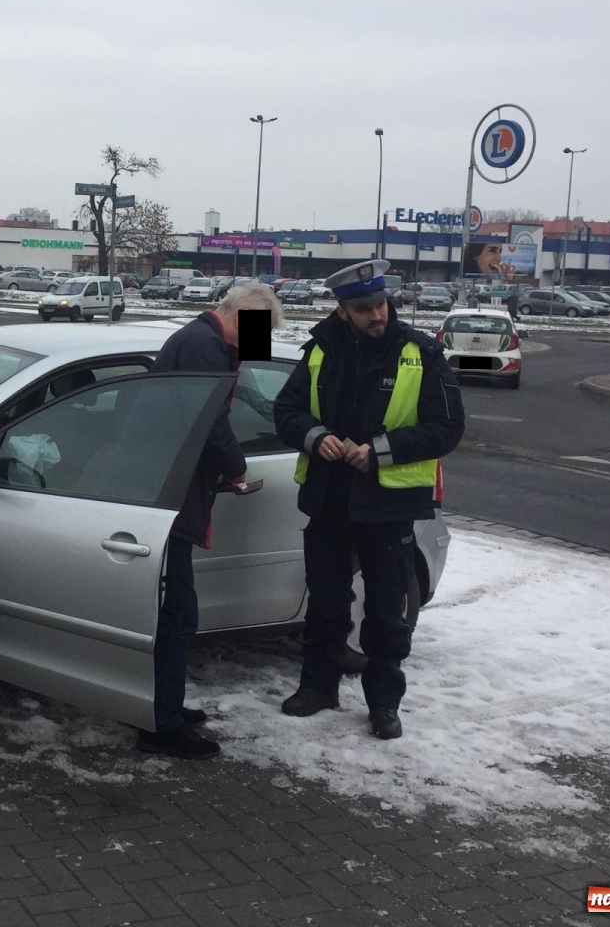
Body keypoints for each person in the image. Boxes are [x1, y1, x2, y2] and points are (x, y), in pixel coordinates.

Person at [273, 260, 464, 741]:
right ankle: (318, 687)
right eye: (363, 309)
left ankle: (384, 704)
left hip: (389, 507)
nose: (377, 315)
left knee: (384, 613)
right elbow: (287, 411)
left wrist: (381, 452)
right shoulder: (319, 351)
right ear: (342, 311)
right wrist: (316, 438)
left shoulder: (420, 354)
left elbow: (447, 427)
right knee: (326, 605)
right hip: (329, 499)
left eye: (380, 304)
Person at [139, 282, 283, 761]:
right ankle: (161, 725)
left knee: (173, 613)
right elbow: (210, 420)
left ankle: (164, 705)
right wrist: (236, 464)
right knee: (179, 614)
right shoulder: (205, 346)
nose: (259, 346)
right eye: (261, 331)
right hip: (171, 499)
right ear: (243, 318)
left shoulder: (204, 341)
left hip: (173, 490)